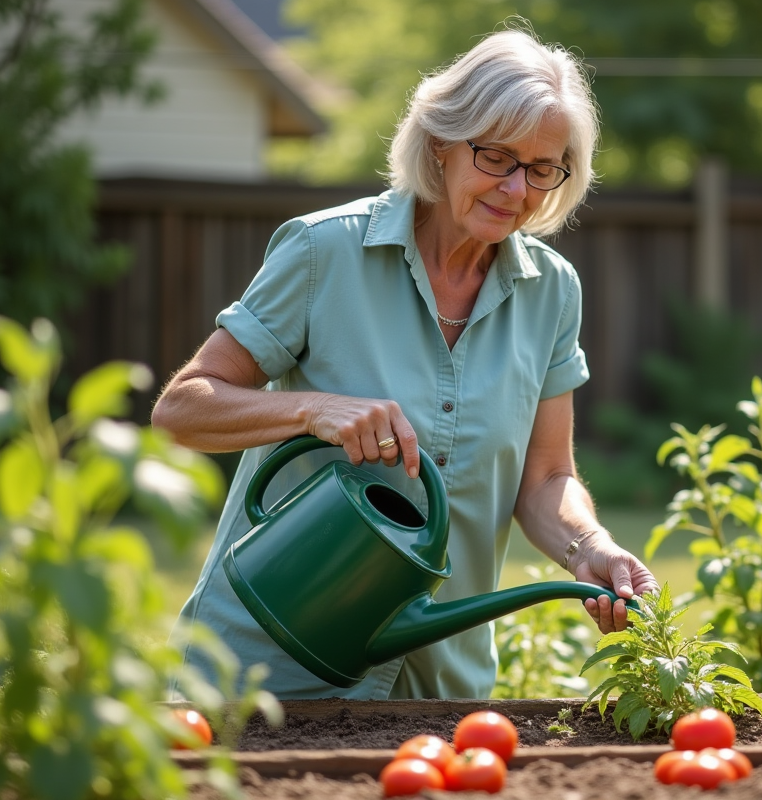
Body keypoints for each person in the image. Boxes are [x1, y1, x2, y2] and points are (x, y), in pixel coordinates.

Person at [151, 26, 658, 700]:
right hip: (267, 671)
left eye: (542, 168)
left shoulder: (552, 291)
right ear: (443, 143)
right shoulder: (323, 252)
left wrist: (587, 546)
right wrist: (312, 408)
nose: (516, 188)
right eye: (497, 156)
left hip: (439, 686)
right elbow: (182, 409)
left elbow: (546, 477)